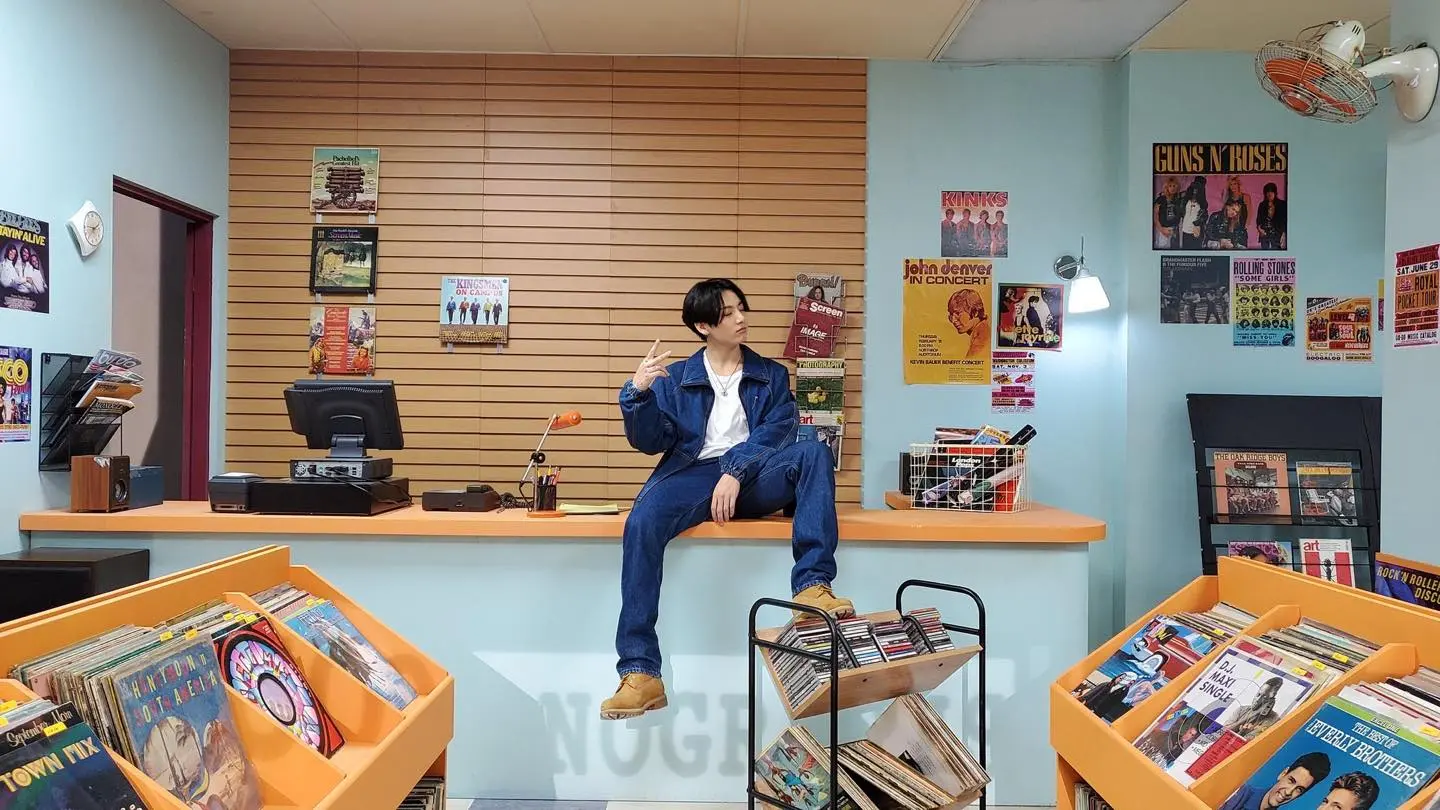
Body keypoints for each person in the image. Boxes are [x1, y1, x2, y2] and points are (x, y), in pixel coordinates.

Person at [600, 278, 854, 720]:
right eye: (729, 312)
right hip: (691, 472)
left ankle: (813, 587)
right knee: (641, 523)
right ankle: (641, 672)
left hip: (754, 475)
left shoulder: (771, 375)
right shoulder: (676, 379)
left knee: (812, 451)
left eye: (741, 308)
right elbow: (652, 441)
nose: (741, 318)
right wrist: (637, 395)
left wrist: (735, 469)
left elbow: (778, 432)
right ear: (703, 326)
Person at [1218, 752, 1331, 810]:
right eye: (1291, 781)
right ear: (1283, 774)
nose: (1288, 792)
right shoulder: (1240, 794)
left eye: (1299, 789)